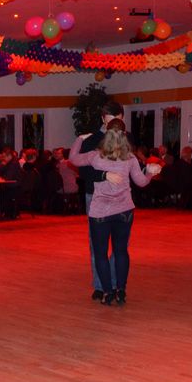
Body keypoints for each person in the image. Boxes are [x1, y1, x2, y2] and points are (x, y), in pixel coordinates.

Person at [69, 118, 158, 306]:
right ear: (124, 135)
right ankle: (121, 291)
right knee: (121, 251)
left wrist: (80, 138)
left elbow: (73, 158)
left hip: (100, 212)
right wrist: (150, 172)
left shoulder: (95, 156)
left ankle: (107, 293)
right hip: (124, 211)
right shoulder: (130, 158)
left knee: (101, 254)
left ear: (106, 134)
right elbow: (141, 182)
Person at [77, 100, 124, 301]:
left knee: (119, 245)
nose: (114, 125)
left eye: (118, 120)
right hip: (95, 196)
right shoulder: (91, 140)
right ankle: (100, 285)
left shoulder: (125, 139)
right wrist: (104, 176)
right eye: (111, 120)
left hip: (120, 198)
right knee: (96, 243)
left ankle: (112, 282)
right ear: (103, 119)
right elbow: (83, 172)